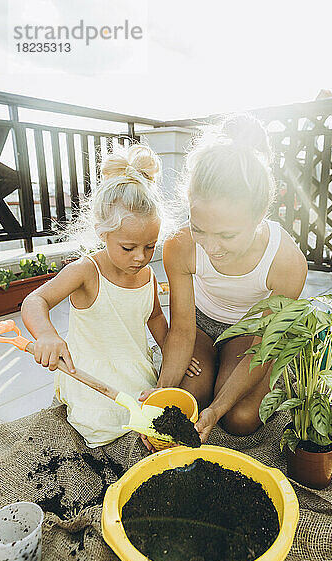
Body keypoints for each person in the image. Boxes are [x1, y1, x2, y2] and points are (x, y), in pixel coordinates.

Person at [140, 114, 308, 451]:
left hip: (249, 335)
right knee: (186, 399)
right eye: (199, 228)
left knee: (240, 419)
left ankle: (273, 373)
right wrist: (161, 392)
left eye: (227, 235)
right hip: (200, 327)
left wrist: (216, 411)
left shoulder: (286, 262)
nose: (211, 247)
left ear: (260, 216)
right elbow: (183, 329)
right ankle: (211, 377)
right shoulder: (181, 244)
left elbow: (262, 346)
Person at [21, 144, 199, 448]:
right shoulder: (86, 271)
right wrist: (47, 336)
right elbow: (35, 301)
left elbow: (155, 316)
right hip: (92, 376)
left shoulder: (147, 276)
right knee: (104, 429)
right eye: (128, 248)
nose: (140, 258)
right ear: (102, 231)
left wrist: (173, 350)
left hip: (134, 367)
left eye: (149, 246)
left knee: (154, 407)